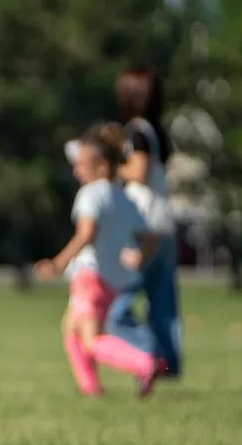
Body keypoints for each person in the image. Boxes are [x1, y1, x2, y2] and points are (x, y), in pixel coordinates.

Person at [39, 124, 166, 398]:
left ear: (101, 165)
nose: (76, 170)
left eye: (81, 164)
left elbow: (86, 234)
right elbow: (150, 238)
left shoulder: (91, 194)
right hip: (112, 280)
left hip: (90, 275)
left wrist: (58, 263)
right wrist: (138, 257)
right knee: (71, 330)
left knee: (90, 339)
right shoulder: (123, 197)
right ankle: (90, 387)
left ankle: (143, 363)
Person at [111, 66, 182, 380]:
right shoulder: (156, 131)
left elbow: (137, 173)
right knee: (163, 304)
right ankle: (169, 365)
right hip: (164, 223)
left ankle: (151, 355)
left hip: (142, 226)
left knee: (119, 306)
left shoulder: (137, 131)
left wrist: (111, 169)